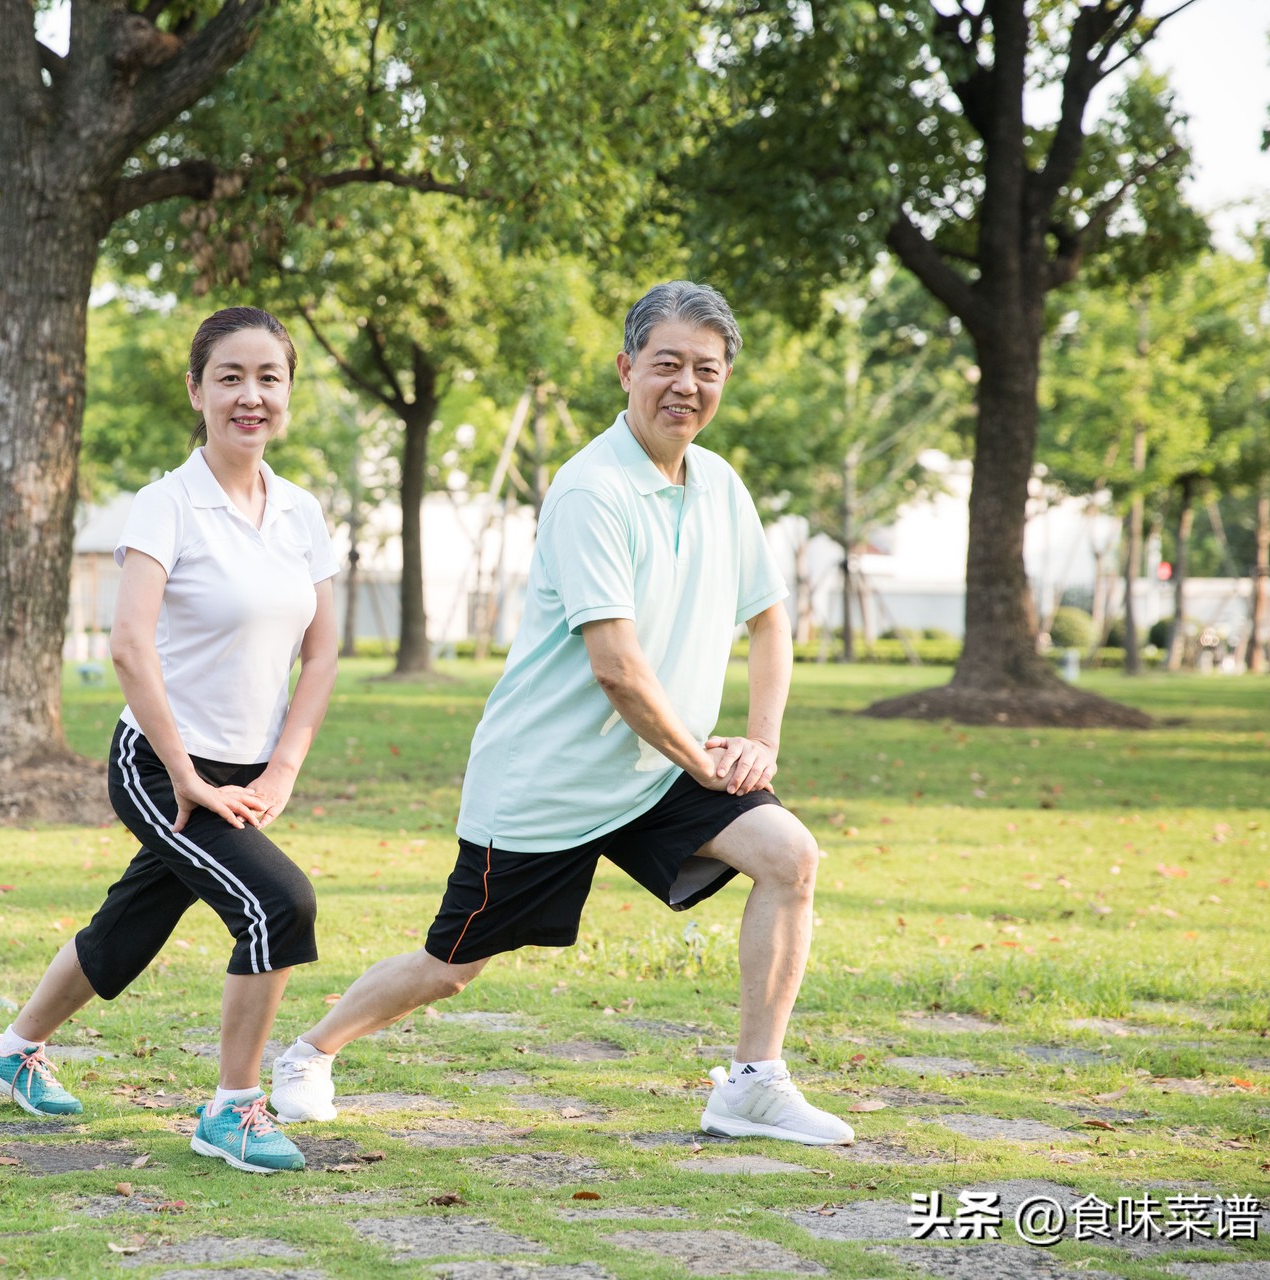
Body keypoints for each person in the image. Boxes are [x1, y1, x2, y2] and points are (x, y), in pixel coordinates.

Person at [270, 281, 854, 1146]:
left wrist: (758, 745)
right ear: (626, 370)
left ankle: (753, 1085)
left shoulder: (722, 485)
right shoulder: (592, 490)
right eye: (667, 365)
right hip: (548, 783)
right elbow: (616, 667)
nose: (685, 385)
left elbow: (771, 620)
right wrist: (703, 758)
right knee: (450, 967)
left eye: (706, 368)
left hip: (658, 769)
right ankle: (310, 1053)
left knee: (788, 855)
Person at [0, 306, 339, 1173]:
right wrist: (186, 777)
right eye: (230, 378)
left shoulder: (300, 512)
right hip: (161, 764)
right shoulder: (167, 503)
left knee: (134, 919)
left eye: (268, 379)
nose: (250, 396)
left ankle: (13, 1050)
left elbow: (322, 651)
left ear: (288, 391)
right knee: (278, 906)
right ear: (197, 390)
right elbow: (129, 644)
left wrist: (284, 766)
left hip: (248, 772)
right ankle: (233, 1108)